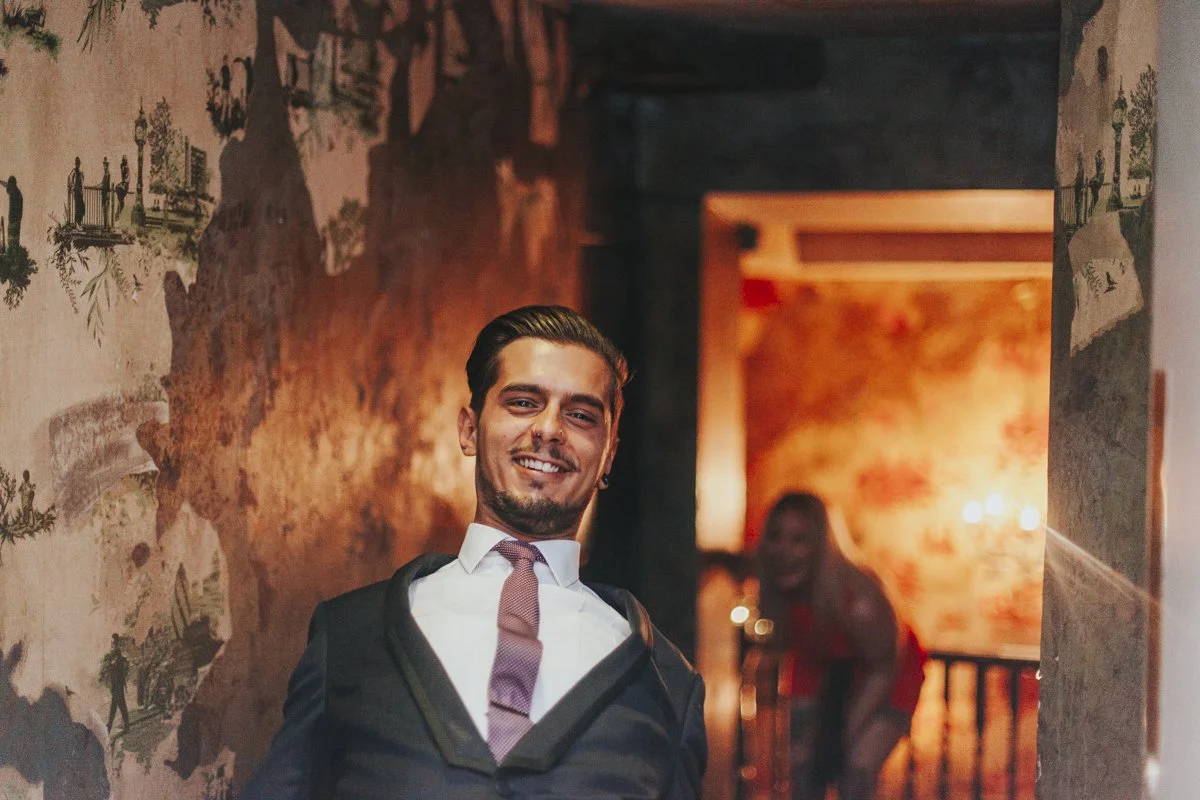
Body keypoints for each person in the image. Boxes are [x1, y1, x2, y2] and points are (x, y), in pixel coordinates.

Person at [245, 305, 706, 799]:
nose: (549, 430)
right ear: (469, 429)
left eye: (580, 415)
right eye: (524, 402)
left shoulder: (669, 684)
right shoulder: (350, 636)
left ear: (608, 453)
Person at [757, 492, 926, 800]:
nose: (784, 550)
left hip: (888, 677)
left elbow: (885, 668)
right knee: (803, 768)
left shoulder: (858, 596)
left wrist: (838, 735)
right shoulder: (783, 591)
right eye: (776, 536)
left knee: (856, 770)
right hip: (826, 674)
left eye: (799, 539)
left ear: (821, 544)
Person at [101, 633, 131, 735]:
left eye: (113, 642)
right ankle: (126, 725)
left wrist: (110, 665)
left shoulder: (117, 652)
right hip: (116, 684)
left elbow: (115, 667)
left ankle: (108, 727)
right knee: (121, 705)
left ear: (116, 642)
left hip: (118, 683)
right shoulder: (114, 653)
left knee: (114, 706)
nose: (111, 643)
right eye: (111, 642)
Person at [5, 176, 22, 249]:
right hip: (14, 221)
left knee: (13, 242)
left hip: (14, 221)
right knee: (12, 241)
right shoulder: (16, 191)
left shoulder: (15, 193)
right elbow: (6, 185)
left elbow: (7, 186)